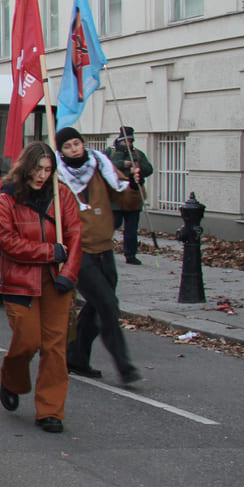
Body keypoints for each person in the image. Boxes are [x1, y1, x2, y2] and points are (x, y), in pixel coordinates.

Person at [0, 142, 82, 434]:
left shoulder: (61, 194)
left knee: (55, 346)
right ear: (26, 168)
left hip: (56, 280)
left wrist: (69, 273)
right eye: (37, 169)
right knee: (28, 340)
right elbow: (7, 241)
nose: (42, 175)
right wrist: (48, 252)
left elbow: (75, 235)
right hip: (20, 280)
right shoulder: (7, 197)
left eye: (47, 169)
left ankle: (50, 410)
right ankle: (12, 379)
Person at [55, 127, 142, 385]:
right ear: (61, 151)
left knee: (96, 305)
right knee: (107, 304)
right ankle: (124, 366)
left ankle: (76, 356)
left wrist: (134, 185)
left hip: (104, 248)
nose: (74, 149)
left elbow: (127, 201)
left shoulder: (100, 165)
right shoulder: (57, 176)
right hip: (78, 252)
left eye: (77, 143)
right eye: (68, 146)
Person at [109, 126, 153, 265]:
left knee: (131, 230)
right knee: (111, 226)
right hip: (115, 198)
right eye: (125, 141)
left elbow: (149, 169)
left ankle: (131, 254)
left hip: (133, 196)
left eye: (130, 141)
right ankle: (104, 251)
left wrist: (138, 166)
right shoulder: (110, 153)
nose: (128, 144)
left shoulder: (138, 154)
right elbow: (104, 166)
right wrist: (123, 164)